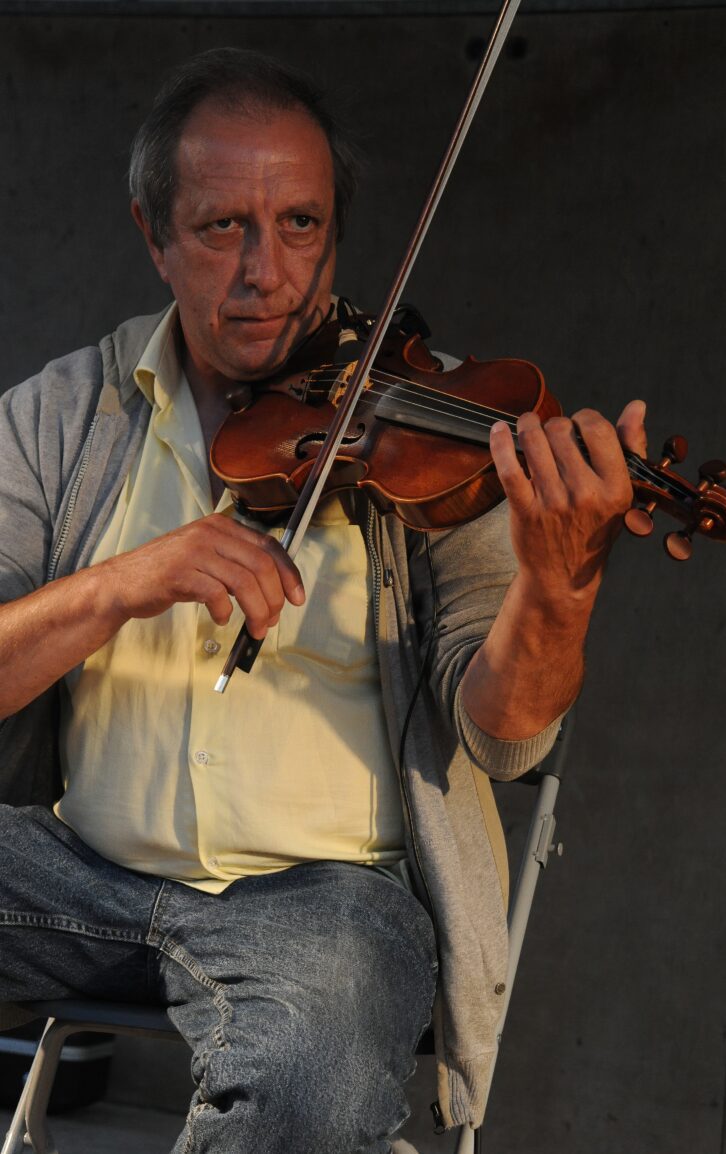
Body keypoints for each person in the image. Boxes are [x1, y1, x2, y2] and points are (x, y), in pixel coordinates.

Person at [0, 47, 646, 1154]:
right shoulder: (65, 414)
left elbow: (506, 736)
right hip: (83, 879)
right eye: (222, 227)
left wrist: (559, 581)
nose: (269, 272)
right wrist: (118, 587)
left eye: (300, 223)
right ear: (154, 234)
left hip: (325, 908)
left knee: (311, 1075)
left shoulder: (443, 427)